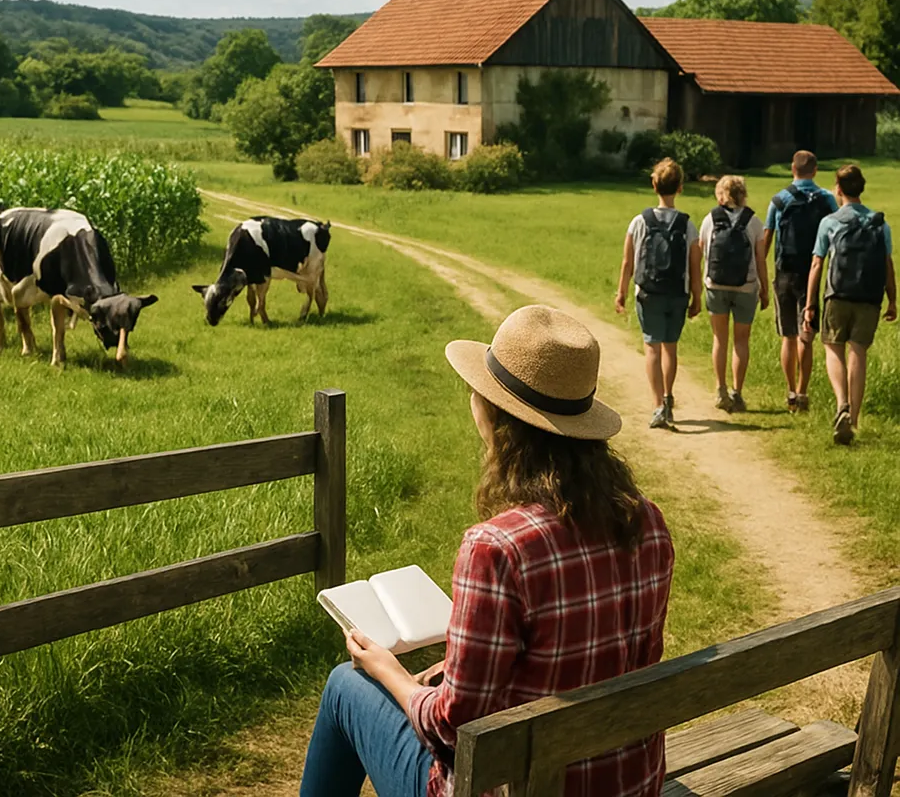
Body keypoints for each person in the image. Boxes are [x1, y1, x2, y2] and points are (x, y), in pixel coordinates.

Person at [299, 305, 675, 797]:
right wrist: (452, 666)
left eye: (479, 391)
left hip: (512, 786)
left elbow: (453, 729)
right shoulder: (646, 521)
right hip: (627, 783)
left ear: (496, 416)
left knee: (344, 688)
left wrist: (392, 674)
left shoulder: (498, 549)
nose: (473, 397)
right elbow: (595, 661)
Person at [804, 164, 896, 445]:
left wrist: (809, 304)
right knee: (859, 353)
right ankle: (853, 419)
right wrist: (893, 300)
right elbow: (887, 265)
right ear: (862, 188)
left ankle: (841, 403)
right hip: (869, 298)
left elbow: (817, 264)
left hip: (837, 295)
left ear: (839, 190)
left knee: (833, 348)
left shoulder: (830, 222)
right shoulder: (880, 224)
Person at [615, 158, 702, 429]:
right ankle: (667, 396)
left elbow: (628, 262)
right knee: (670, 348)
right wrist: (697, 297)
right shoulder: (688, 225)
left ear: (654, 185)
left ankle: (657, 407)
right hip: (677, 293)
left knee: (651, 347)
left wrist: (621, 292)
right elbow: (694, 266)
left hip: (647, 292)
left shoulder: (639, 222)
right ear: (680, 188)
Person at [763, 150, 837, 413]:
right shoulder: (827, 199)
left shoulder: (780, 200)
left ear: (792, 170)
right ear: (815, 171)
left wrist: (761, 272)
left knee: (788, 336)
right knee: (806, 335)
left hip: (784, 272)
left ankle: (791, 391)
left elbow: (767, 238)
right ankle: (804, 392)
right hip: (812, 274)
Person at [699, 175, 769, 412]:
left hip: (715, 286)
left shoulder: (710, 219)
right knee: (741, 340)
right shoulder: (754, 222)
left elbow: (703, 252)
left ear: (720, 194)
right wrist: (765, 290)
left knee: (719, 339)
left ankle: (720, 389)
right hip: (746, 287)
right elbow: (760, 259)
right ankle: (737, 393)